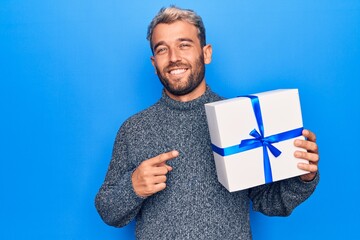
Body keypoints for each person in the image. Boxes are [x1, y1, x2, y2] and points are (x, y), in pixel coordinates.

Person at [95, 6, 319, 239]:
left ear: (206, 53)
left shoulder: (239, 117)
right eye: (162, 49)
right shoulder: (134, 129)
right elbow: (108, 211)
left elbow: (268, 202)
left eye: (184, 45)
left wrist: (303, 177)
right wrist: (132, 188)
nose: (173, 58)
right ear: (154, 63)